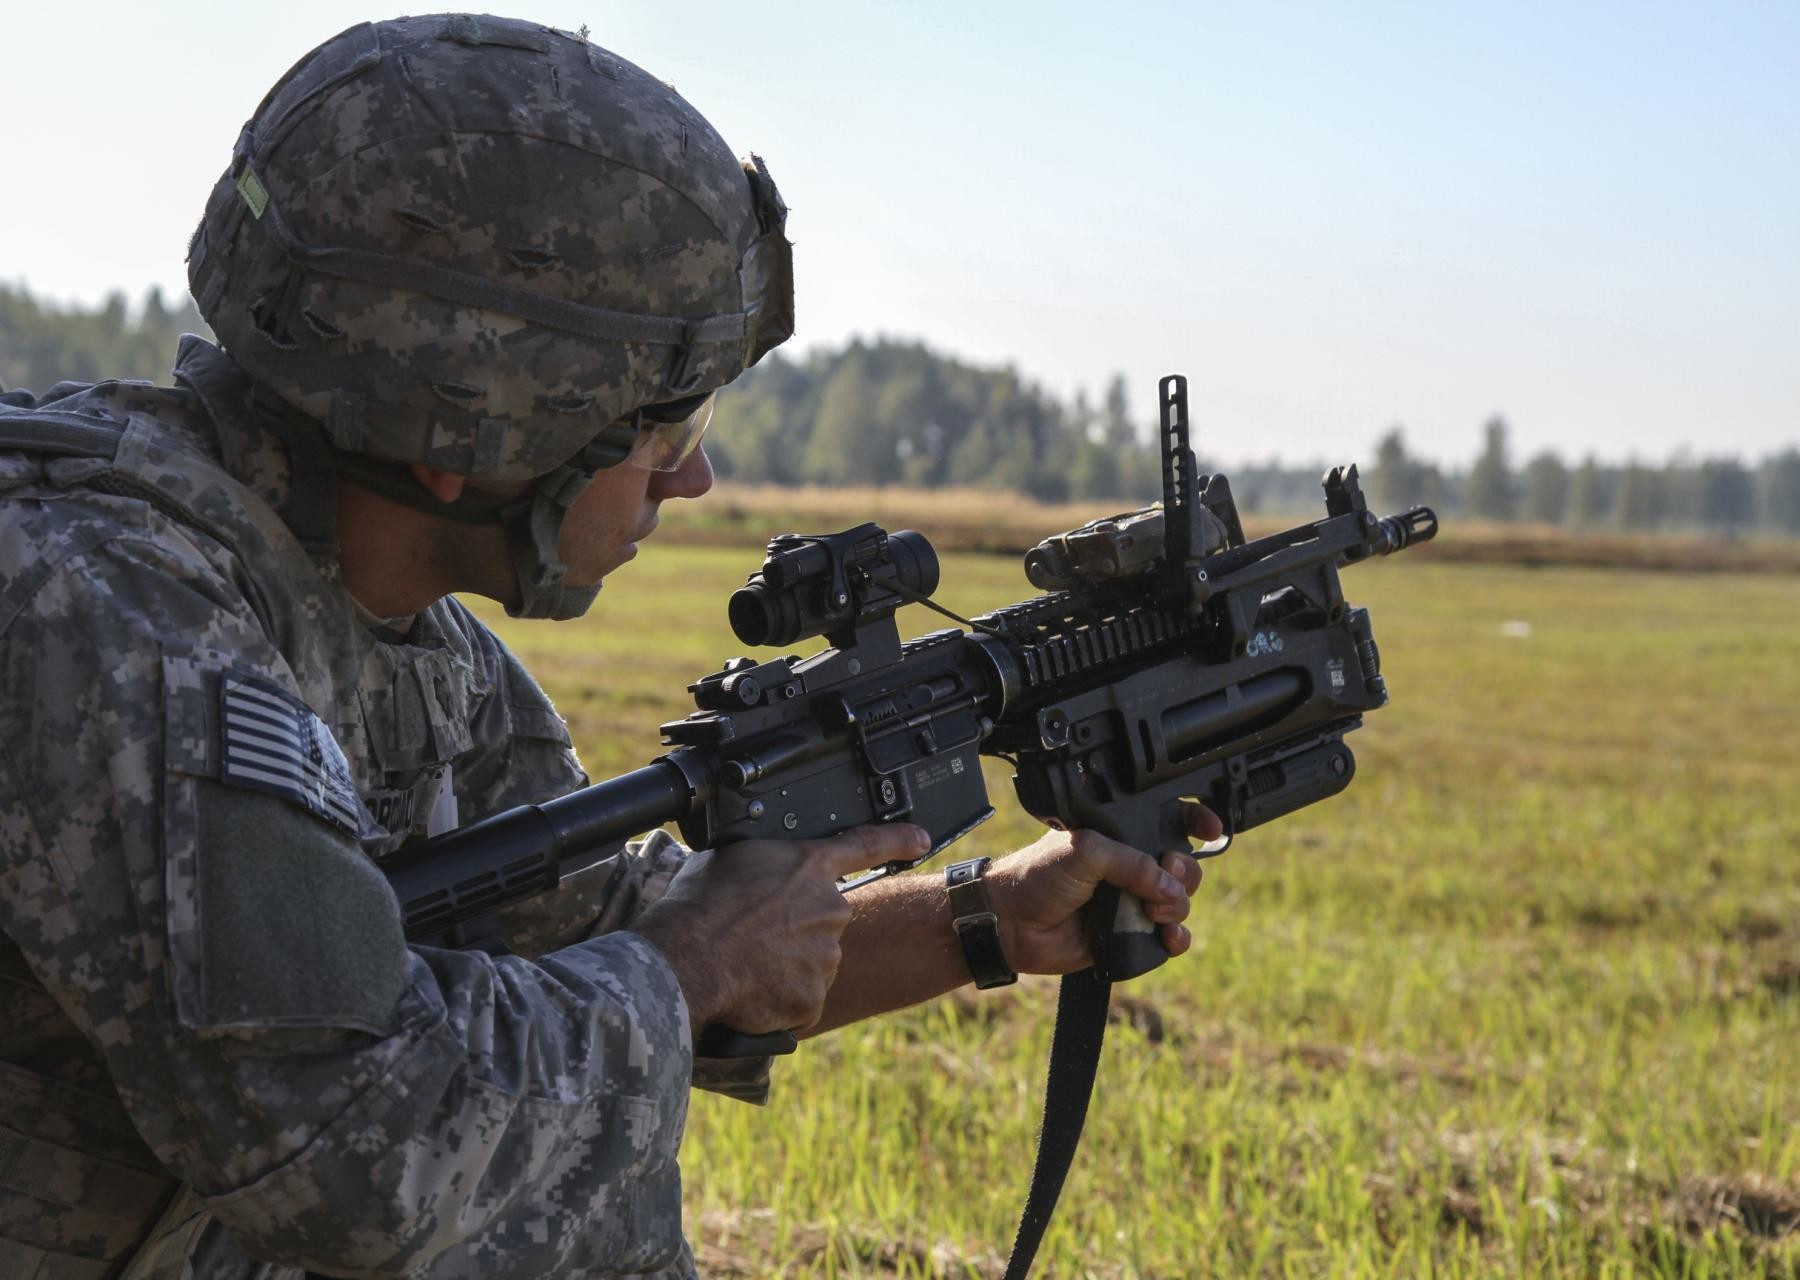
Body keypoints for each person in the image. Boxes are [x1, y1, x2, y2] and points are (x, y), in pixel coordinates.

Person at [0, 16, 1212, 1279]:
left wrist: (994, 918)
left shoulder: (398, 635)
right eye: (662, 426)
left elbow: (598, 926)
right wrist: (689, 959)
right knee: (536, 1183)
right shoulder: (105, 608)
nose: (692, 476)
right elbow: (358, 1142)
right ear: (472, 433)